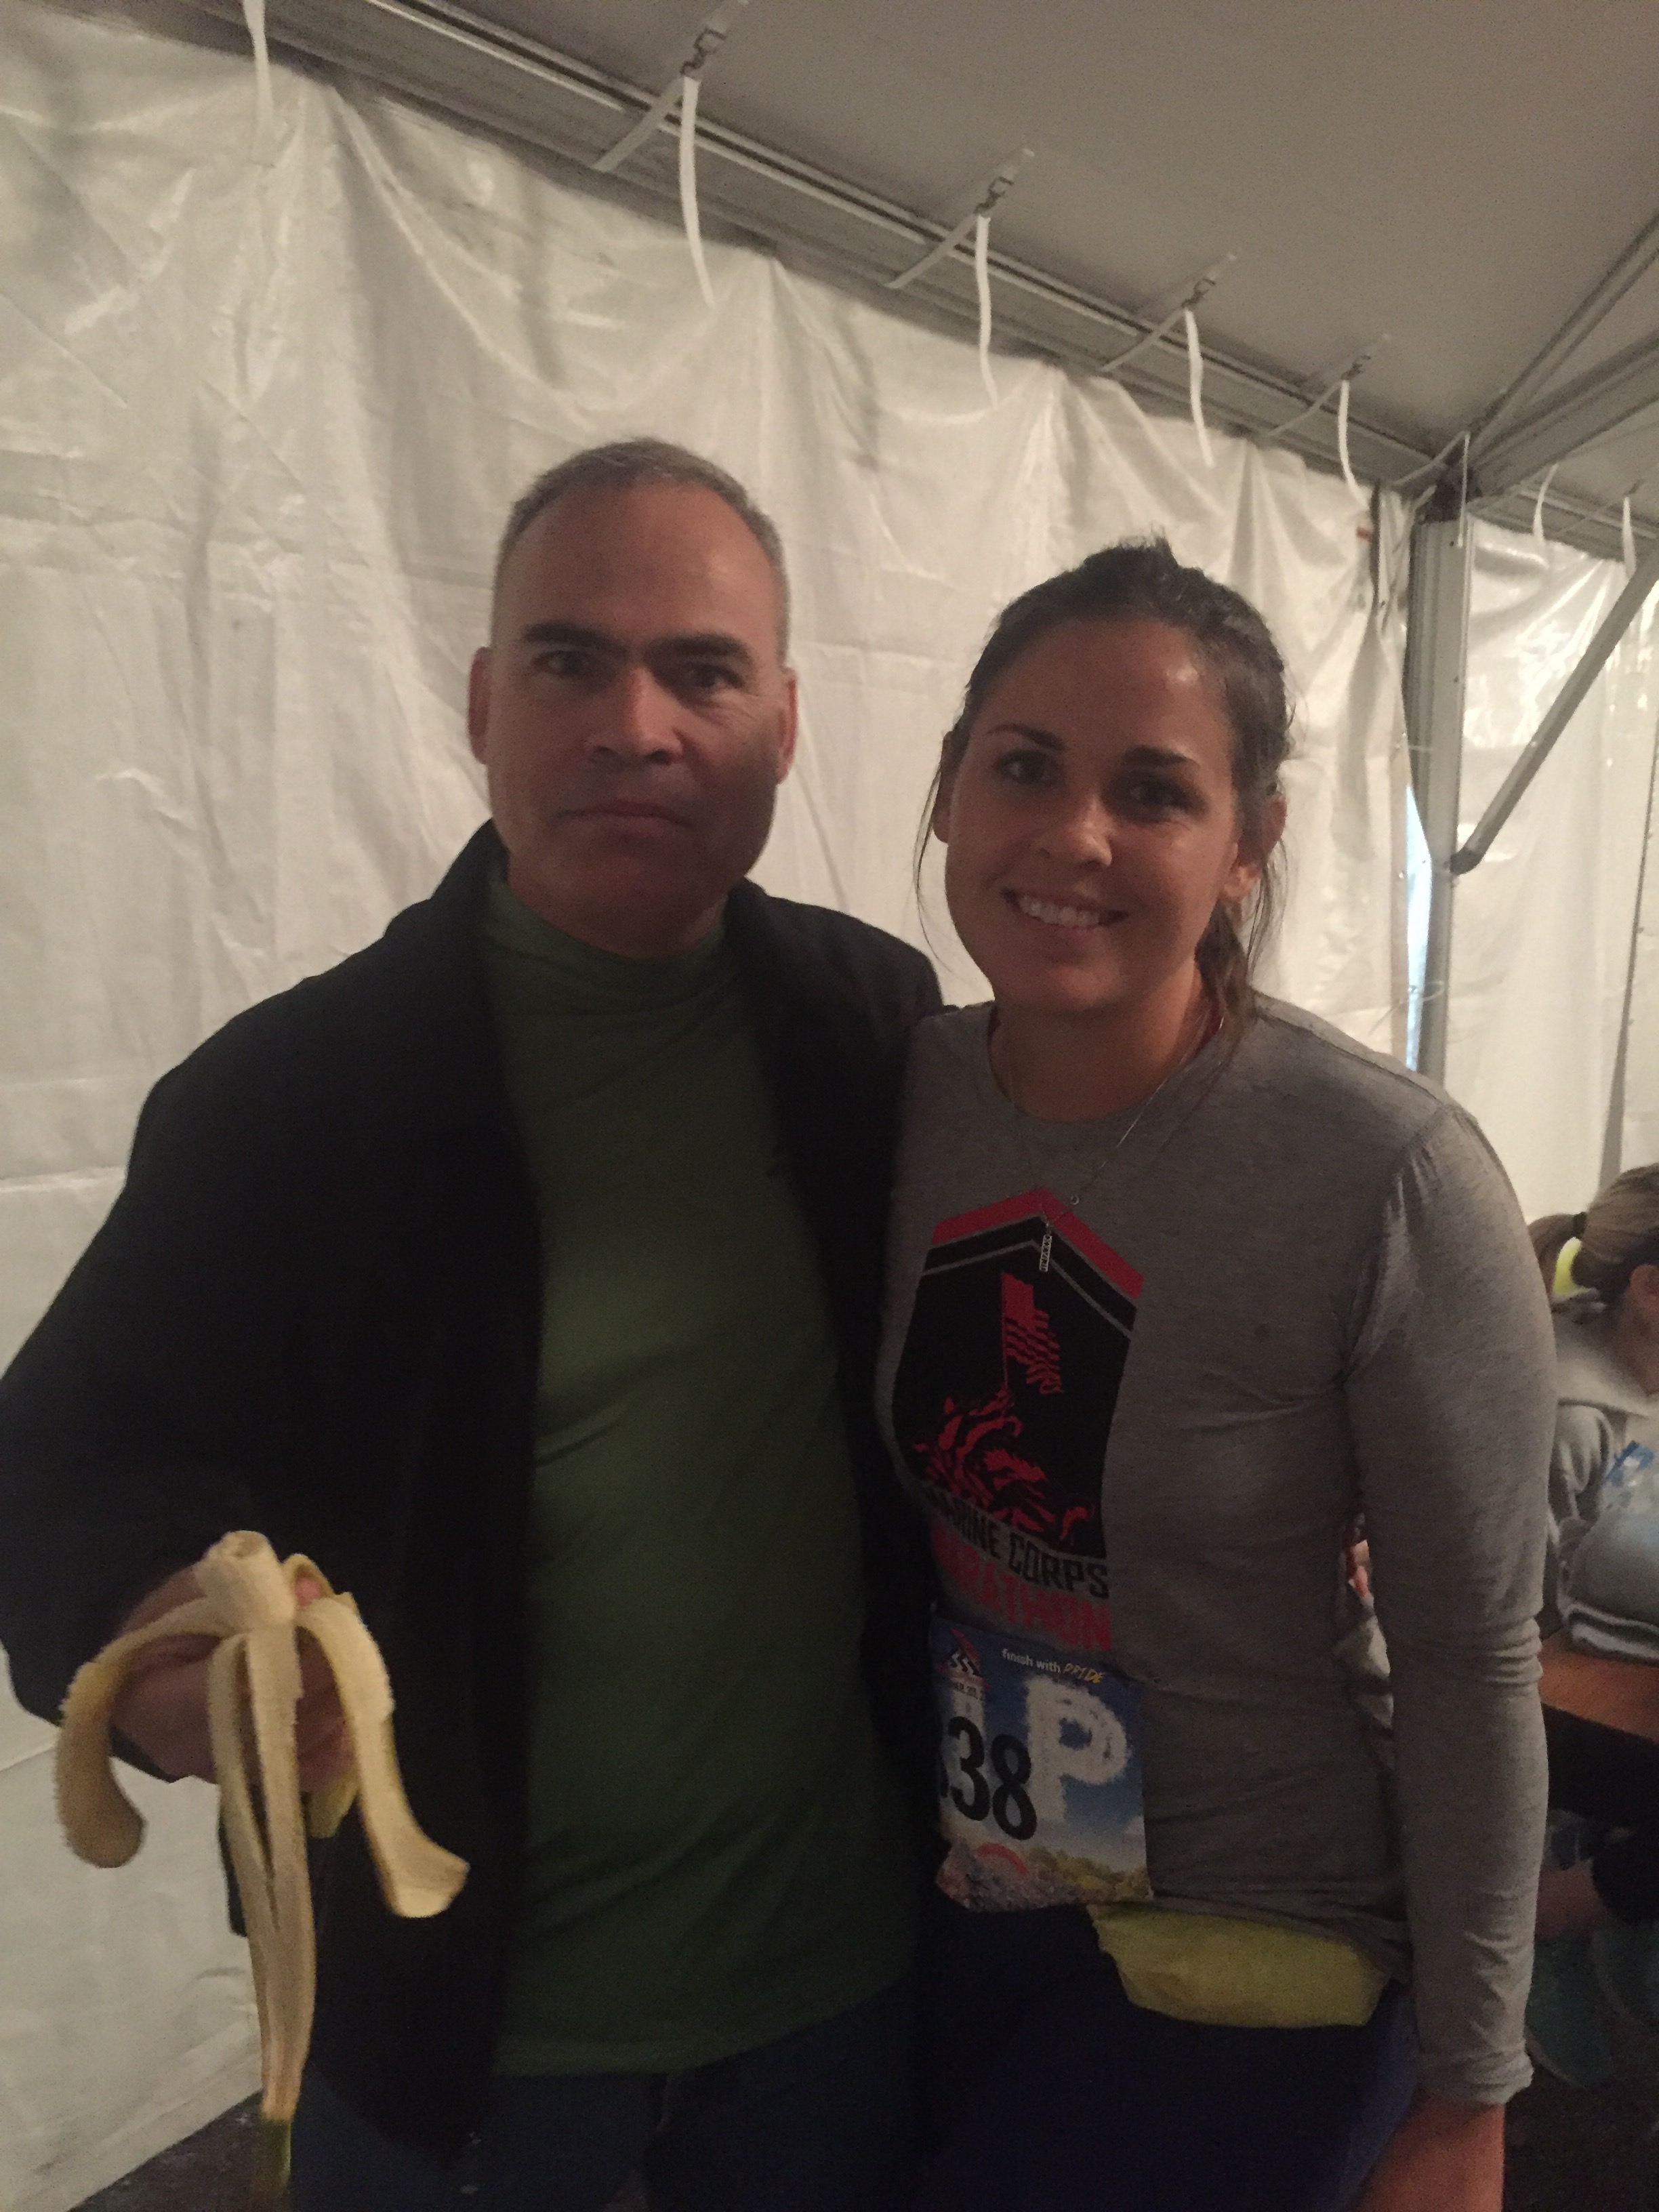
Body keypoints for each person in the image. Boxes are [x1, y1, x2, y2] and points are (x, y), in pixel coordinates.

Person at [0, 439, 943, 2212]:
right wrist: (155, 1637)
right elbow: (66, 1459)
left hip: (839, 1997)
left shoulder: (872, 1029)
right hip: (459, 2043)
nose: (636, 725)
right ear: (484, 704)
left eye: (704, 672)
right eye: (573, 661)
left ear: (785, 727)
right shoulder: (287, 1102)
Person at [876, 541, 1555, 2212]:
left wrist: (1471, 2094)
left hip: (1265, 1951)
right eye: (1024, 766)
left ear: (1248, 844)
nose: (1074, 835)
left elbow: (1472, 1661)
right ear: (951, 788)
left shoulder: (1384, 1174)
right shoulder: (898, 1094)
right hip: (977, 1907)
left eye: (1155, 793)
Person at [1522, 1172, 1659, 2087]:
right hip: (1549, 1705)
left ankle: (1611, 1905)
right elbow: (1520, 1628)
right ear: (1650, 1290)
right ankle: (1553, 1915)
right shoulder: (1569, 1417)